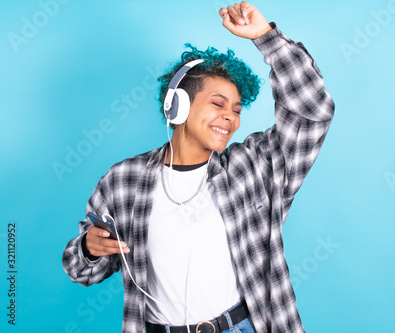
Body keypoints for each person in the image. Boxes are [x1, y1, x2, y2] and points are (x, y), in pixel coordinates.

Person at [62, 2, 335, 333]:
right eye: (218, 104)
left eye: (236, 110)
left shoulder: (254, 169)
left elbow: (312, 110)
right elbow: (81, 271)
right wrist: (89, 249)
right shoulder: (123, 181)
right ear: (177, 106)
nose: (230, 118)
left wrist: (266, 37)